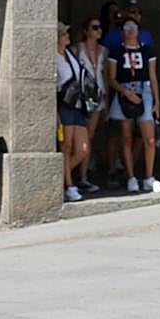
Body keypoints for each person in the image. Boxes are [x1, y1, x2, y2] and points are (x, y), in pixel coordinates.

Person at [105, 20, 160, 194]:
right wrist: (125, 92)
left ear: (139, 31)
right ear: (122, 32)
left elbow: (153, 76)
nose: (130, 32)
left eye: (134, 29)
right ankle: (131, 177)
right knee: (126, 137)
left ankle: (149, 177)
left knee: (150, 138)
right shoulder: (116, 52)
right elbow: (111, 77)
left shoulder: (147, 51)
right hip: (125, 91)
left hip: (144, 90)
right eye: (127, 29)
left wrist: (157, 101)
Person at [56, 23, 90, 203]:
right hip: (64, 105)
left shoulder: (70, 53)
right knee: (66, 147)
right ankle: (69, 185)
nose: (67, 36)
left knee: (83, 149)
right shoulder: (53, 57)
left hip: (78, 105)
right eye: (63, 34)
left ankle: (56, 180)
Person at [75, 16, 109, 194]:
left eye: (100, 28)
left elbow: (105, 76)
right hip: (81, 96)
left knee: (90, 134)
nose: (98, 31)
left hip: (98, 95)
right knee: (79, 134)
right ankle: (75, 172)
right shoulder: (77, 48)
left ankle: (83, 176)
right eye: (94, 27)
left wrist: (107, 100)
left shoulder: (103, 50)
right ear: (86, 31)